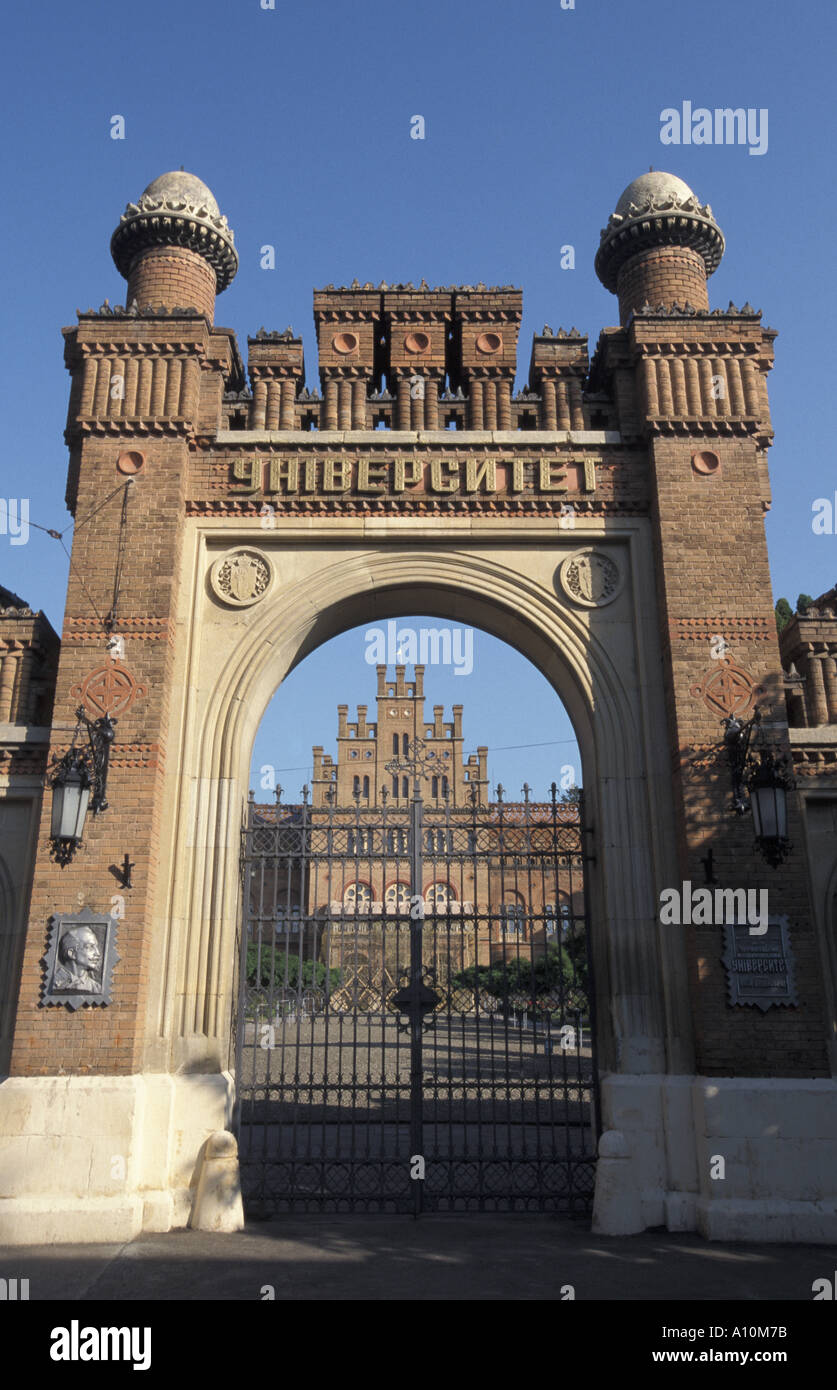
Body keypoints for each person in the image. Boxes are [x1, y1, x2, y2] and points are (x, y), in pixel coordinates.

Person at [53, 925, 102, 992]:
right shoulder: (53, 982)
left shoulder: (97, 988)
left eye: (96, 947)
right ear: (72, 953)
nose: (97, 953)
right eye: (90, 947)